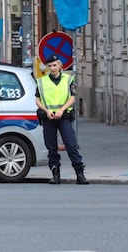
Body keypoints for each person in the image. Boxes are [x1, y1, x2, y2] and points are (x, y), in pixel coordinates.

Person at [36, 54, 89, 185]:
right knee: (51, 147)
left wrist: (62, 109)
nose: (53, 68)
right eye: (50, 66)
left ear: (60, 65)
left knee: (71, 145)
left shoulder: (68, 79)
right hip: (49, 118)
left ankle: (80, 174)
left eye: (55, 65)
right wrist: (47, 111)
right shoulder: (42, 81)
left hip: (63, 116)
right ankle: (55, 174)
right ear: (47, 67)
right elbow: (37, 99)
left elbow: (72, 97)